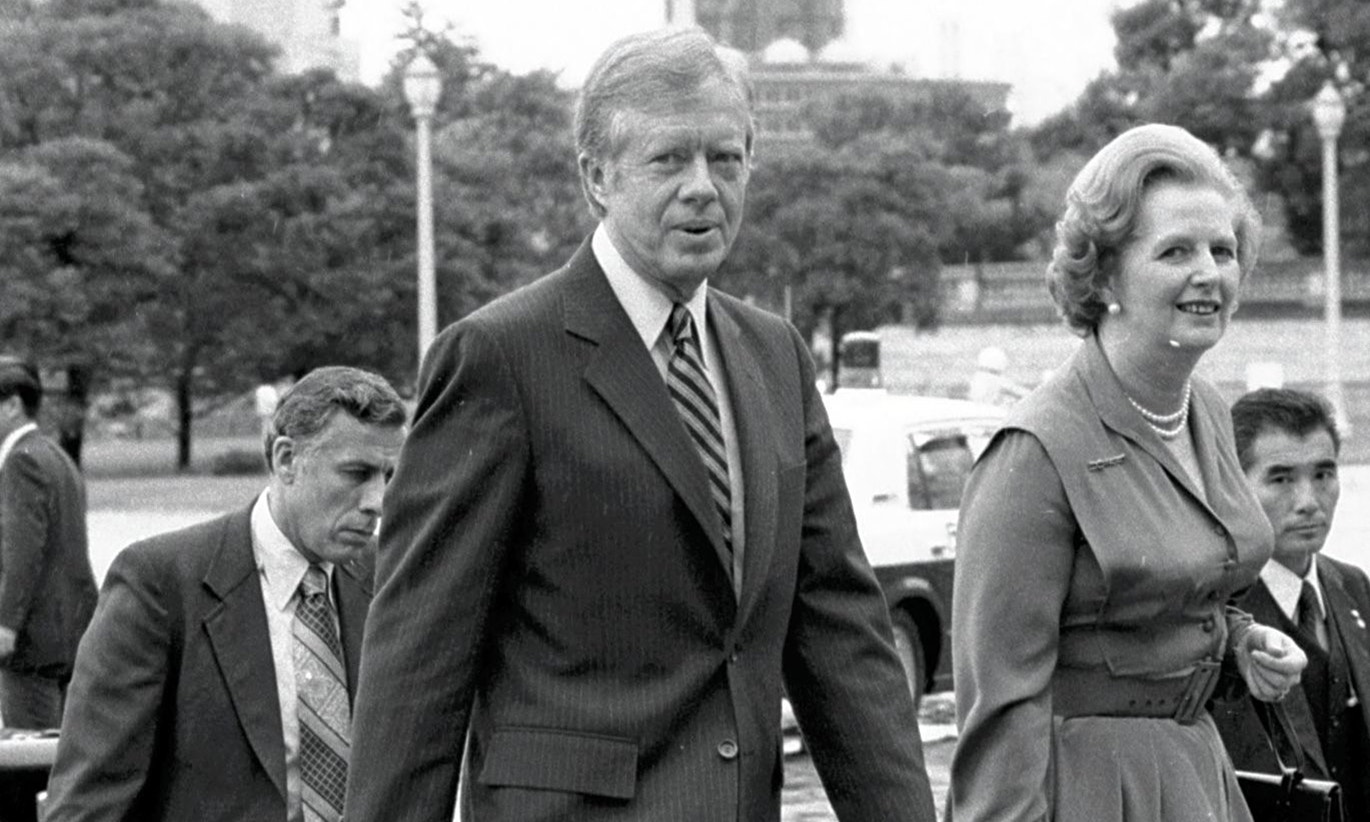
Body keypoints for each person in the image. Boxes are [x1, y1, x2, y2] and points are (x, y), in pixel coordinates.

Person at [344, 27, 937, 822]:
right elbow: (419, 663)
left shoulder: (776, 359)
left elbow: (840, 635)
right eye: (669, 159)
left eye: (726, 159)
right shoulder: (499, 358)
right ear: (597, 176)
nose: (703, 187)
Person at [949, 123, 1307, 822]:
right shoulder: (1034, 451)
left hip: (1197, 776)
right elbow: (999, 709)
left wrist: (1240, 643)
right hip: (1085, 793)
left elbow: (1170, 601)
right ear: (1105, 273)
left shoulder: (1205, 410)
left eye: (1224, 250)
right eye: (1175, 251)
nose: (1209, 272)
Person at [42, 366, 407, 822]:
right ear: (287, 459)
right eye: (357, 473)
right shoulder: (160, 583)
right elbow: (88, 803)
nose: (377, 500)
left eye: (389, 476)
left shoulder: (386, 577)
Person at [1212, 388, 1370, 820]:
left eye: (1323, 474)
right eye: (1281, 479)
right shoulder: (1212, 605)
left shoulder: (1353, 588)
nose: (1308, 502)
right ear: (1232, 485)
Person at [0, 355, 97, 730]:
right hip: (72, 634)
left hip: (32, 643)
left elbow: (22, 554)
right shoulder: (56, 456)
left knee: (28, 767)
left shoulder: (20, 462)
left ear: (12, 405)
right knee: (62, 762)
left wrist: (6, 625)